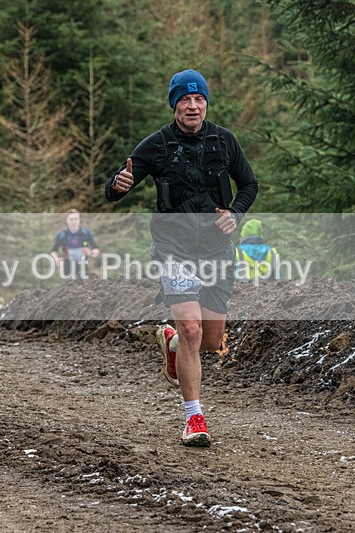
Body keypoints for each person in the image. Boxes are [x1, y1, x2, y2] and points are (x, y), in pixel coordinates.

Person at [106, 69, 258, 446]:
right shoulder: (157, 145)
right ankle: (194, 418)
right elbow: (116, 187)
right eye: (185, 100)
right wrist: (116, 184)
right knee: (192, 329)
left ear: (206, 102)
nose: (193, 106)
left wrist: (235, 214)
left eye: (199, 99)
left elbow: (249, 184)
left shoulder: (225, 141)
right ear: (175, 104)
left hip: (216, 250)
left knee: (209, 341)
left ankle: (172, 343)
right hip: (173, 249)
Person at [49, 209, 100, 278]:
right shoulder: (61, 235)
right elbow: (53, 251)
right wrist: (57, 260)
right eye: (71, 219)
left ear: (79, 220)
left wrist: (90, 253)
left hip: (83, 265)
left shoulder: (86, 233)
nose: (73, 222)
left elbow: (96, 249)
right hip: (67, 267)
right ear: (67, 220)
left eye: (76, 219)